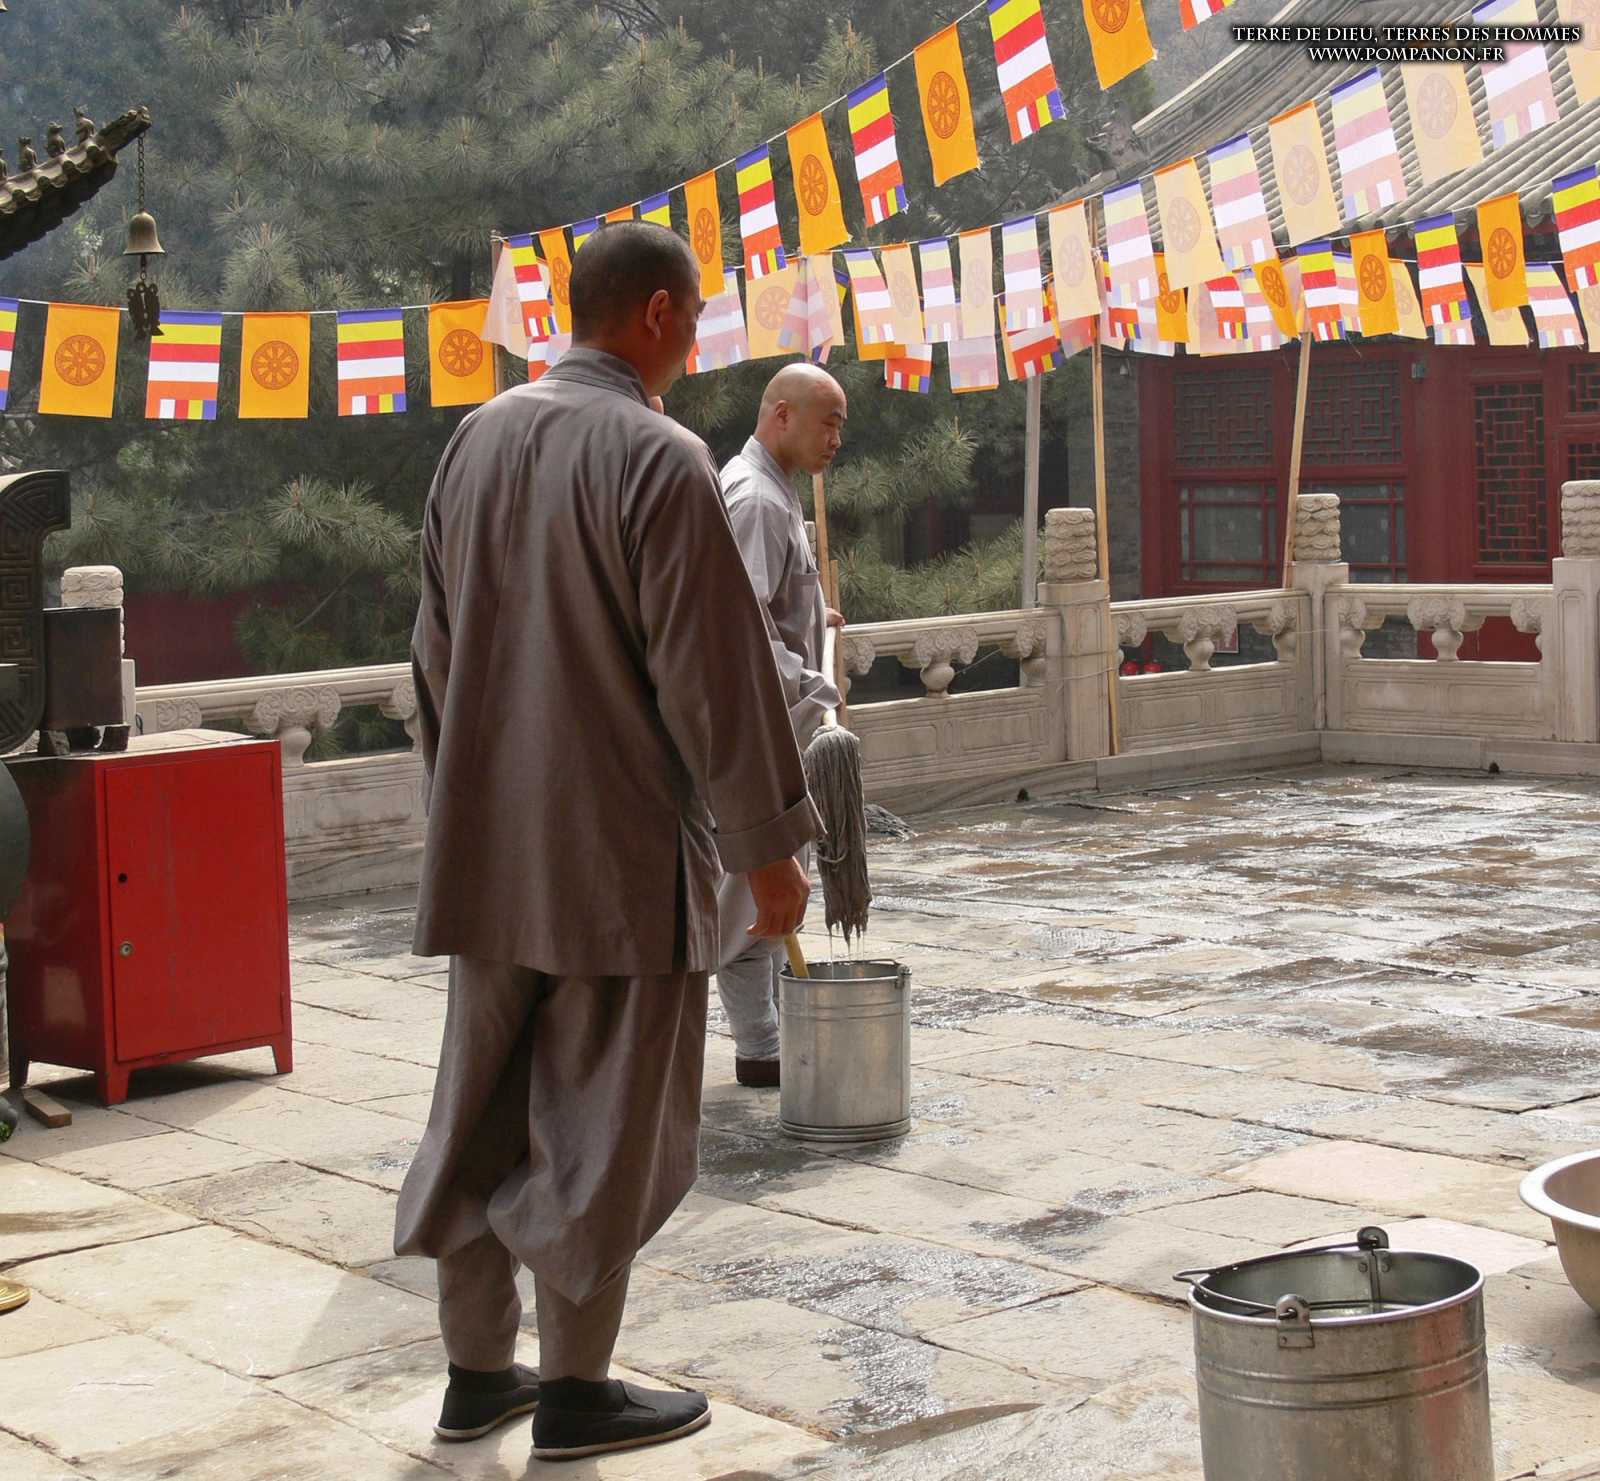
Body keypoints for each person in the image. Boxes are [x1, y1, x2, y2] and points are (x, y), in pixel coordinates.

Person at [394, 222, 816, 1462]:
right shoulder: (657, 454)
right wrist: (768, 847)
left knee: (479, 1109)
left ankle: (478, 1371)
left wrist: (463, 804)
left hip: (487, 847)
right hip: (617, 857)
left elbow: (430, 651)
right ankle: (577, 1388)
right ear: (656, 314)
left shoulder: (478, 436)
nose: (695, 340)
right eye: (694, 317)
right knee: (602, 1123)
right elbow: (713, 677)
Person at [715, 363, 848, 1088]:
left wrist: (812, 612)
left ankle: (765, 1040)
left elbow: (765, 603)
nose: (835, 439)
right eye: (827, 422)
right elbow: (739, 632)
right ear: (782, 415)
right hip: (759, 729)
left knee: (766, 888)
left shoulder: (772, 491)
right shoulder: (758, 500)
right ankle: (761, 1048)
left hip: (775, 723)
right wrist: (805, 683)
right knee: (752, 891)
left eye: (840, 427)